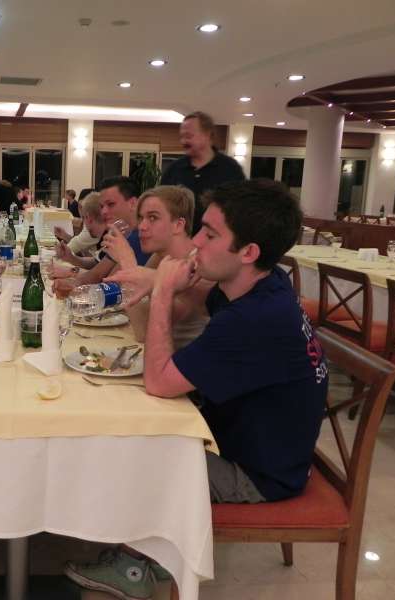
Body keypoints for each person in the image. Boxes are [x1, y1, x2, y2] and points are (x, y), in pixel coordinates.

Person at [65, 179, 328, 599]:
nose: (196, 243)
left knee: (135, 449)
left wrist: (162, 291)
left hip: (259, 474)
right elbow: (202, 299)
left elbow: (159, 382)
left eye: (209, 234)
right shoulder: (263, 283)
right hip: (258, 445)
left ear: (248, 252)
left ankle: (136, 568)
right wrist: (158, 278)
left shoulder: (253, 319)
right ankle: (141, 542)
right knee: (131, 430)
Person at [101, 185, 209, 347]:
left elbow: (143, 331)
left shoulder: (197, 265)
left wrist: (127, 263)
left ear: (178, 225)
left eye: (153, 218)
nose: (141, 226)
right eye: (141, 218)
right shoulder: (160, 256)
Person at [51, 176, 150, 296]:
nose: (103, 211)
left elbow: (107, 282)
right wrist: (71, 263)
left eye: (111, 204)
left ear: (133, 203)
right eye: (102, 206)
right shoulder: (122, 232)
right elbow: (99, 270)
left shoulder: (142, 237)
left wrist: (72, 278)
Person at [160, 111, 246, 234]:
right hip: (179, 240)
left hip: (216, 241)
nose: (183, 141)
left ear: (208, 135)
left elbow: (241, 210)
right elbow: (162, 206)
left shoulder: (231, 169)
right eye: (182, 136)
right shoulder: (174, 170)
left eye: (189, 136)